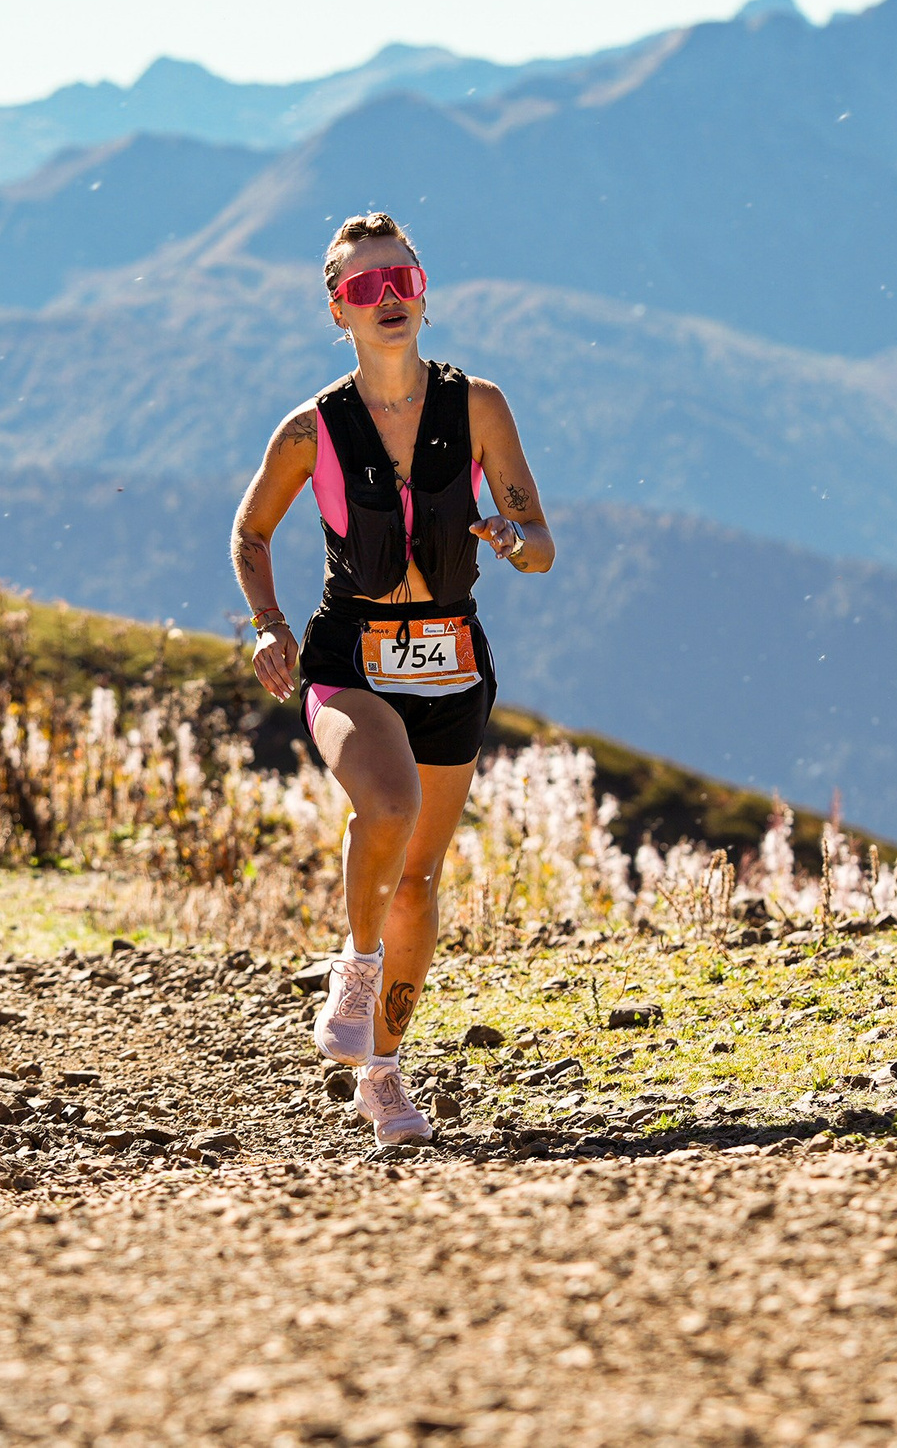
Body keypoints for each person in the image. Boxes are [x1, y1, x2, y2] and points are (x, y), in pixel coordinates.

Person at [230, 212, 555, 1145]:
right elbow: (251, 531)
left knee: (417, 880)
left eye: (400, 279)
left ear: (424, 292)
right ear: (337, 310)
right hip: (349, 656)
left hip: (453, 659)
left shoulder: (479, 406)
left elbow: (541, 542)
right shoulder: (312, 428)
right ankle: (357, 966)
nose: (387, 298)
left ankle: (382, 1072)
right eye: (364, 287)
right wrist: (269, 623)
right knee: (387, 803)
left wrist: (512, 540)